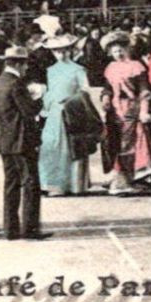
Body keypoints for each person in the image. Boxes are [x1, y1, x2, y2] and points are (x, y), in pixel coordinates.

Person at [100, 31, 151, 193]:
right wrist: (105, 98)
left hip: (132, 108)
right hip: (114, 110)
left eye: (121, 50)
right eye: (114, 51)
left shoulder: (136, 67)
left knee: (132, 143)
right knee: (114, 141)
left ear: (127, 50)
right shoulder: (110, 68)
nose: (118, 54)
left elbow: (145, 90)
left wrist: (145, 110)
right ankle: (119, 175)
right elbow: (107, 87)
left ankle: (130, 177)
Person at [0, 46, 48, 240]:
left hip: (5, 140)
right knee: (30, 183)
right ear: (19, 64)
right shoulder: (16, 84)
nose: (26, 69)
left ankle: (11, 229)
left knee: (11, 184)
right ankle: (29, 228)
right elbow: (29, 111)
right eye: (25, 65)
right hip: (23, 140)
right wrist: (39, 98)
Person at [38, 36, 95, 196]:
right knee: (52, 146)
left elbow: (85, 91)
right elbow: (50, 91)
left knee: (73, 147)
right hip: (55, 113)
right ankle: (54, 185)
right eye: (57, 51)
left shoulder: (78, 70)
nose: (61, 54)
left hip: (73, 112)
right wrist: (46, 105)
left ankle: (75, 185)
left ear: (70, 50)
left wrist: (70, 102)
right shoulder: (51, 70)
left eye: (64, 50)